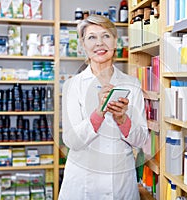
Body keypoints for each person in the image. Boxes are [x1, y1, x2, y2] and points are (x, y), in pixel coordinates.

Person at [58, 15, 149, 200]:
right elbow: (71, 140)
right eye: (91, 37)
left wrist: (122, 119)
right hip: (82, 183)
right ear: (83, 45)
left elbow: (140, 140)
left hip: (121, 183)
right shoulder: (72, 86)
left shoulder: (132, 84)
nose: (99, 43)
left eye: (106, 36)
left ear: (116, 41)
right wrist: (99, 112)